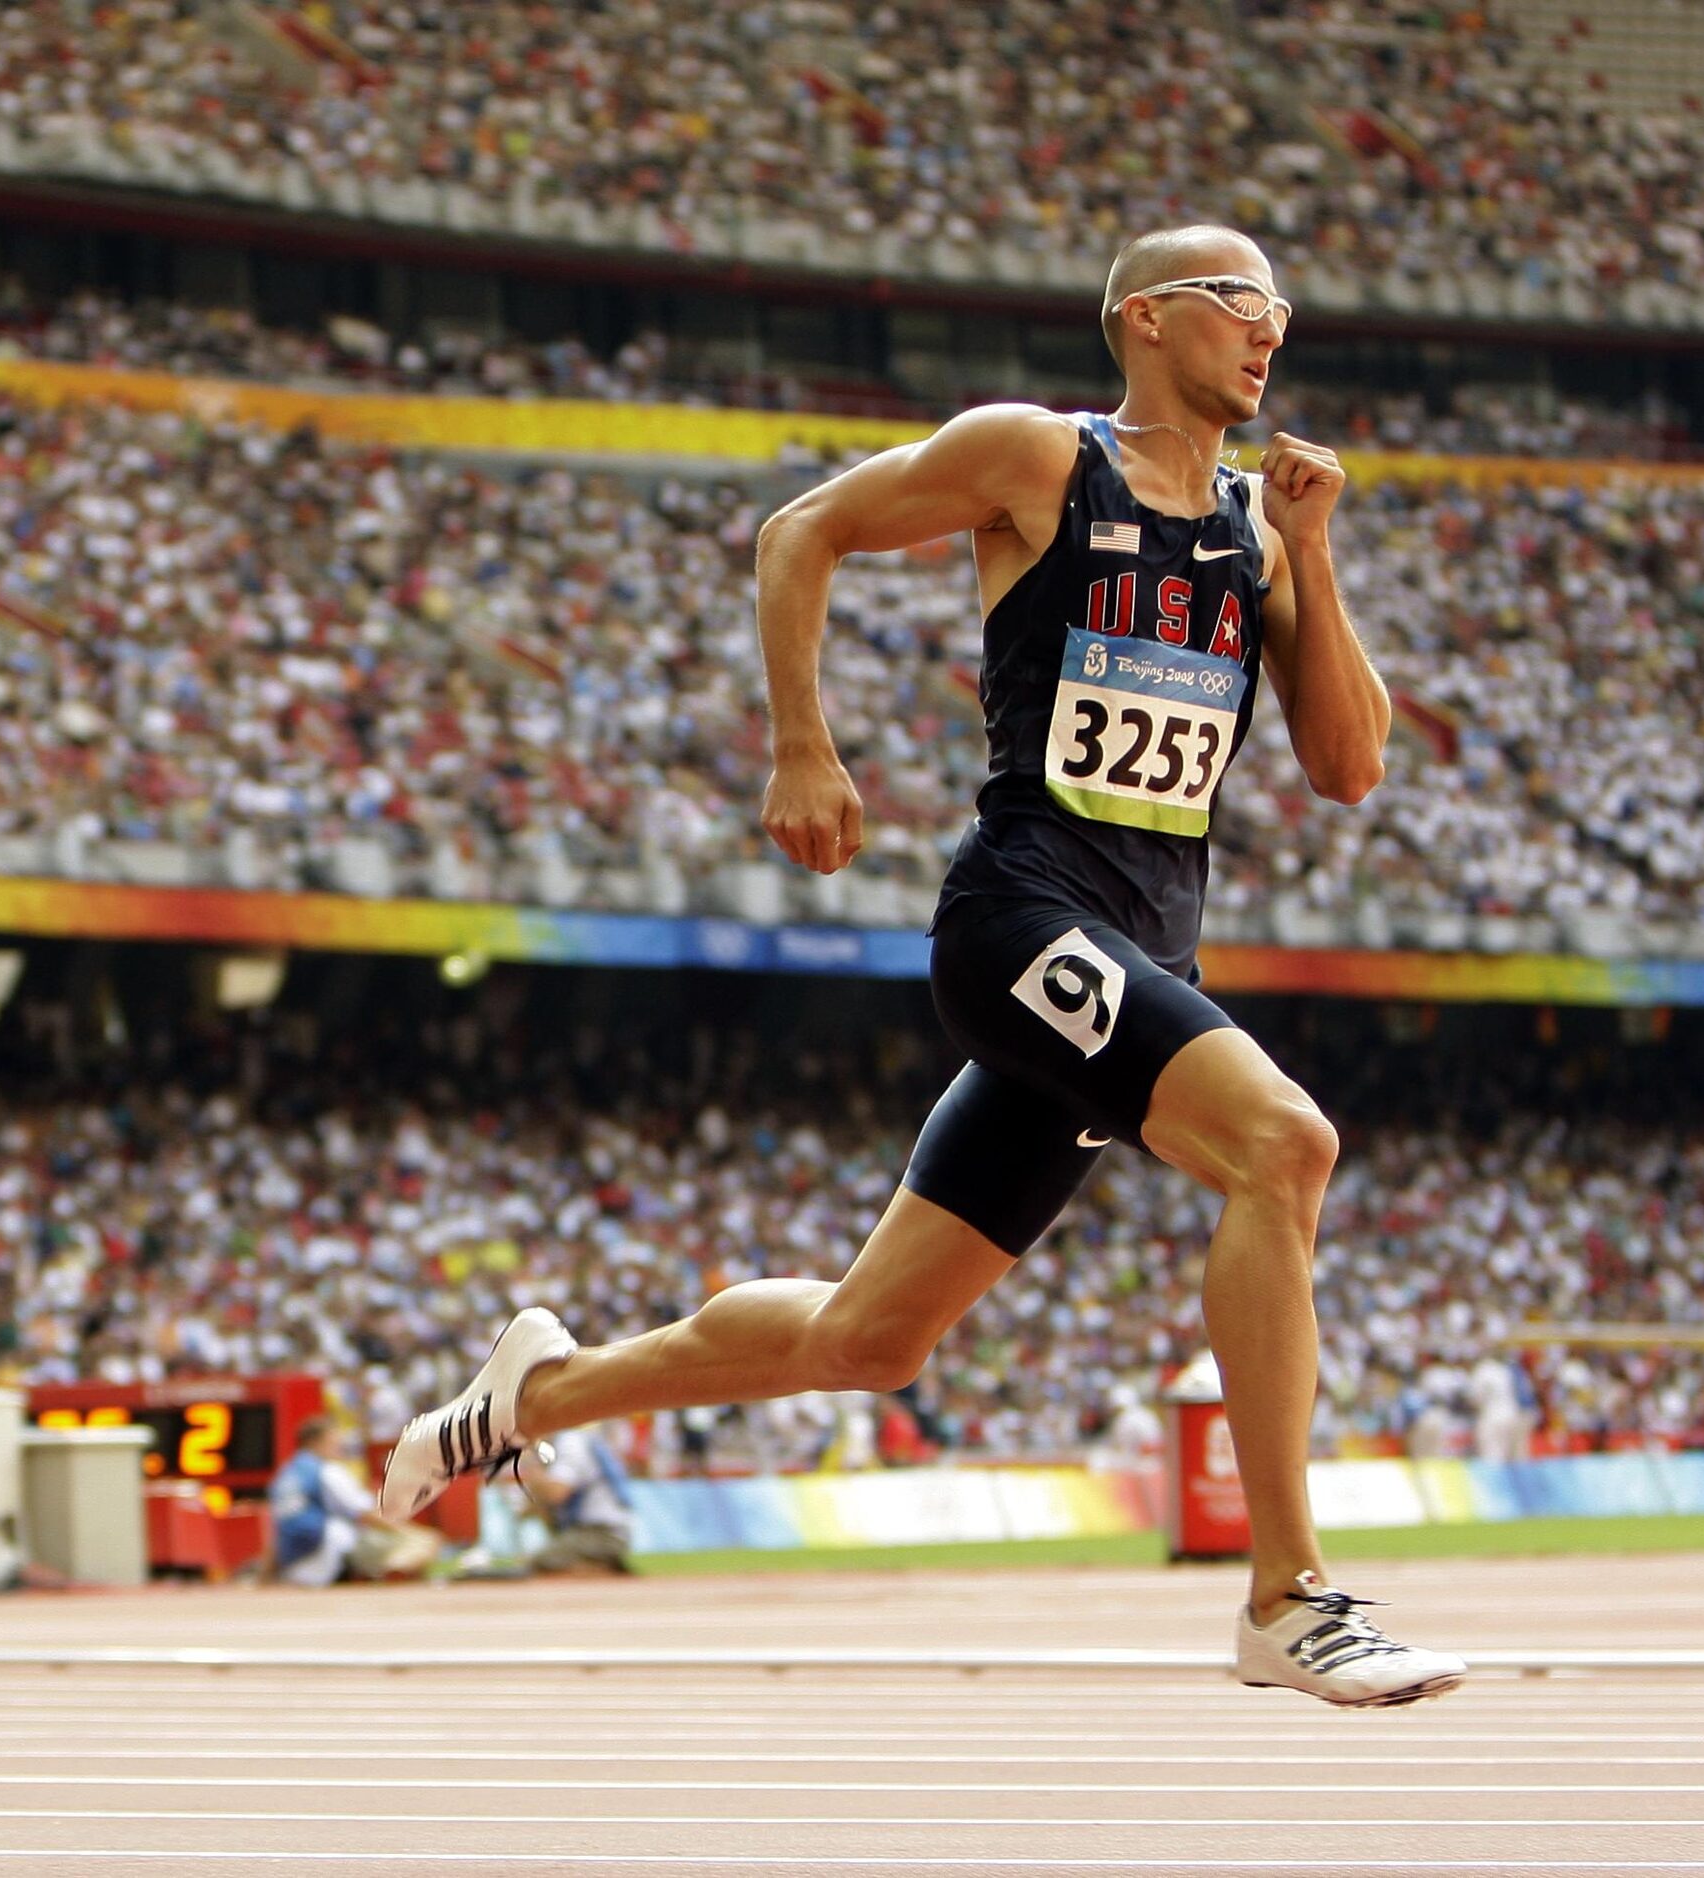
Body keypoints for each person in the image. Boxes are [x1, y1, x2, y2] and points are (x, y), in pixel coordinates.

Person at [380, 225, 1465, 1708]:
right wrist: (802, 745)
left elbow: (1346, 765)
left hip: (1141, 944)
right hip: (1021, 916)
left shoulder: (1256, 529)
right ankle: (1291, 1594)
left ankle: (533, 1390)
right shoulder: (1036, 457)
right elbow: (798, 531)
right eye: (1238, 301)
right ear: (1144, 317)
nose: (1269, 330)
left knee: (868, 1336)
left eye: (1281, 307)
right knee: (1286, 1143)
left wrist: (1317, 553)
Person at [266, 1417, 440, 1588]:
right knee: (425, 1542)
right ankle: (390, 1576)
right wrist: (411, 1533)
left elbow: (276, 1528)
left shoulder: (286, 1474)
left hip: (293, 1561)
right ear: (315, 1442)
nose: (340, 1448)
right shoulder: (327, 1470)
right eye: (334, 1442)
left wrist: (269, 1572)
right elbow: (365, 1514)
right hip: (327, 1556)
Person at [522, 1425, 633, 1576]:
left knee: (541, 1564)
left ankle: (608, 1574)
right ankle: (604, 1568)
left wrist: (532, 1470)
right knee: (540, 1562)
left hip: (601, 1532)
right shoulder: (562, 1443)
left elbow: (557, 1492)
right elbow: (536, 1510)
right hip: (589, 1531)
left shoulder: (571, 1442)